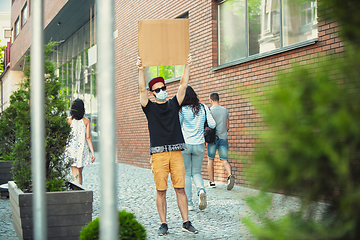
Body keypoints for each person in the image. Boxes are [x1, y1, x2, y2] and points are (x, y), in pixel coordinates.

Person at [136, 55, 198, 236]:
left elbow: (183, 86)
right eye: (157, 89)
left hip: (176, 153)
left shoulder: (173, 104)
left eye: (163, 88)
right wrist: (141, 70)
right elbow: (141, 89)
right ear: (152, 93)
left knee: (180, 188)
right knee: (161, 190)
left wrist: (187, 65)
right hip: (158, 155)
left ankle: (186, 222)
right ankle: (163, 223)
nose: (162, 91)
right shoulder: (149, 107)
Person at [179, 86, 216, 211]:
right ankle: (201, 190)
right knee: (196, 172)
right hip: (199, 144)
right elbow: (212, 124)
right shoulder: (204, 107)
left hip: (185, 144)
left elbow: (178, 125)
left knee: (187, 174)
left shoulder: (182, 109)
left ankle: (189, 203)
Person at [207, 93, 235, 190]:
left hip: (212, 139)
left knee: (211, 160)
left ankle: (212, 182)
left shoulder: (209, 111)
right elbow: (227, 127)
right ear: (218, 99)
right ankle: (230, 175)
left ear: (210, 100)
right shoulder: (225, 110)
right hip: (223, 138)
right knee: (224, 160)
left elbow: (207, 126)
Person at [64, 99, 95, 185]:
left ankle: (78, 194)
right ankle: (81, 191)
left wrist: (63, 149)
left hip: (71, 150)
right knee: (79, 174)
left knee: (75, 174)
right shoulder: (86, 121)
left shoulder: (68, 121)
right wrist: (92, 152)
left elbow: (64, 136)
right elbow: (88, 137)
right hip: (82, 151)